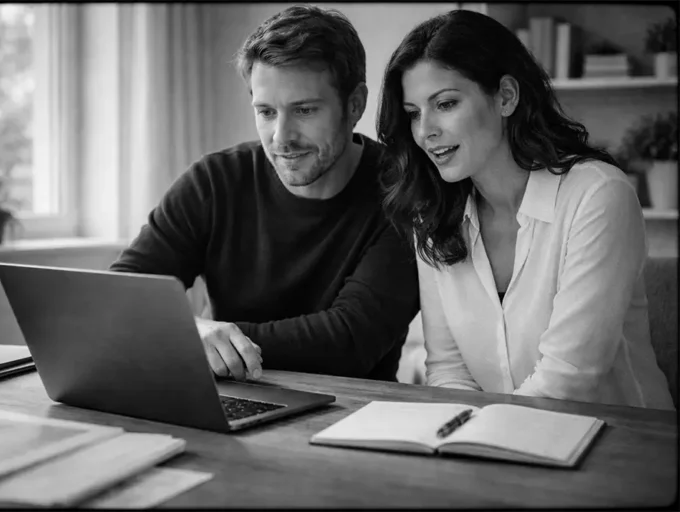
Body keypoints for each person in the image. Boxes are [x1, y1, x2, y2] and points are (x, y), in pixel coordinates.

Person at [377, 9, 674, 409]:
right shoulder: (432, 214)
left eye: (445, 104)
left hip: (618, 450)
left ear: (506, 97)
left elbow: (567, 380)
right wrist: (458, 439)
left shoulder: (597, 195)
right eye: (414, 113)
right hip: (502, 448)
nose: (424, 131)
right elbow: (450, 370)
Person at [110, 5, 419, 383]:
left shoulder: (404, 192)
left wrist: (208, 339)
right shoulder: (215, 181)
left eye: (304, 110)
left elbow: (349, 341)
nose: (281, 137)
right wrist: (196, 333)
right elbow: (123, 296)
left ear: (354, 105)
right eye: (266, 112)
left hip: (353, 416)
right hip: (228, 400)